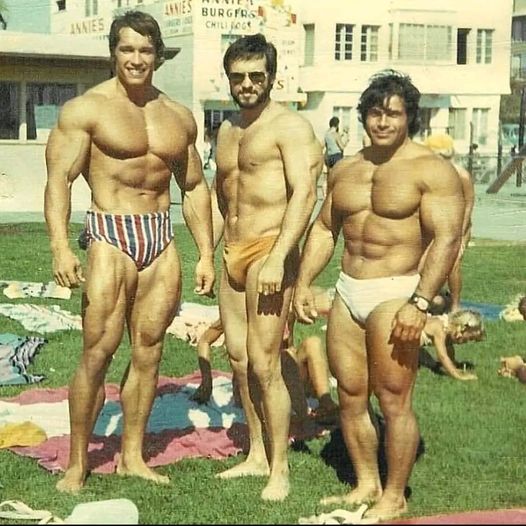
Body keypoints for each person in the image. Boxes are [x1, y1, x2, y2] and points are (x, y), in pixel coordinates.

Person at [44, 11, 215, 493]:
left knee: (149, 351)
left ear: (157, 56)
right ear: (113, 53)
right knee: (98, 351)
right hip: (110, 234)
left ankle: (132, 457)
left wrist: (206, 252)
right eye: (127, 49)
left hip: (159, 235)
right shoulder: (87, 110)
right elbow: (59, 180)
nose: (136, 59)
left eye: (145, 50)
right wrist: (60, 246)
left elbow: (194, 187)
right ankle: (78, 462)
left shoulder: (178, 116)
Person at [293, 69, 464, 521]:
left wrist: (420, 302)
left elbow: (447, 238)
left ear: (410, 117)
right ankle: (366, 482)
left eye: (393, 114)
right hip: (349, 291)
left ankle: (395, 494)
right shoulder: (346, 169)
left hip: (398, 291)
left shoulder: (431, 170)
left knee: (393, 400)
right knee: (350, 396)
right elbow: (325, 228)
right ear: (363, 116)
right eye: (374, 113)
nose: (383, 122)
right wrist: (305, 281)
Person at [212, 33, 323, 501]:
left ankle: (280, 469)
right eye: (238, 76)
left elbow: (306, 193)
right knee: (239, 360)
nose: (247, 84)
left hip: (269, 250)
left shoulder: (290, 127)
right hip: (233, 250)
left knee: (264, 362)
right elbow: (223, 195)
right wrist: (208, 253)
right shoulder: (226, 129)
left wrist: (279, 256)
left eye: (256, 75)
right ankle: (256, 453)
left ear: (272, 77)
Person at [190, 287, 339, 427]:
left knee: (312, 344)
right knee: (283, 357)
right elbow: (205, 341)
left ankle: (326, 405)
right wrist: (206, 382)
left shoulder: (287, 303)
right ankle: (292, 417)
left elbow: (319, 298)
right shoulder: (242, 310)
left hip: (286, 374)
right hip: (255, 379)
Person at [423, 134, 475, 311]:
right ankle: (434, 296)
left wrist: (460, 234)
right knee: (426, 261)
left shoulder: (461, 175)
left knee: (453, 263)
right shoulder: (428, 175)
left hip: (459, 227)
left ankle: (455, 306)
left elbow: (468, 206)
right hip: (437, 227)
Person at [419, 309, 485, 381]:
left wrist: (453, 365)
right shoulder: (440, 328)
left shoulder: (449, 330)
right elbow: (442, 356)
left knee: (432, 364)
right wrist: (458, 375)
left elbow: (448, 347)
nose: (467, 341)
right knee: (431, 365)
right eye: (470, 338)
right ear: (463, 328)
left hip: (415, 347)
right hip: (411, 345)